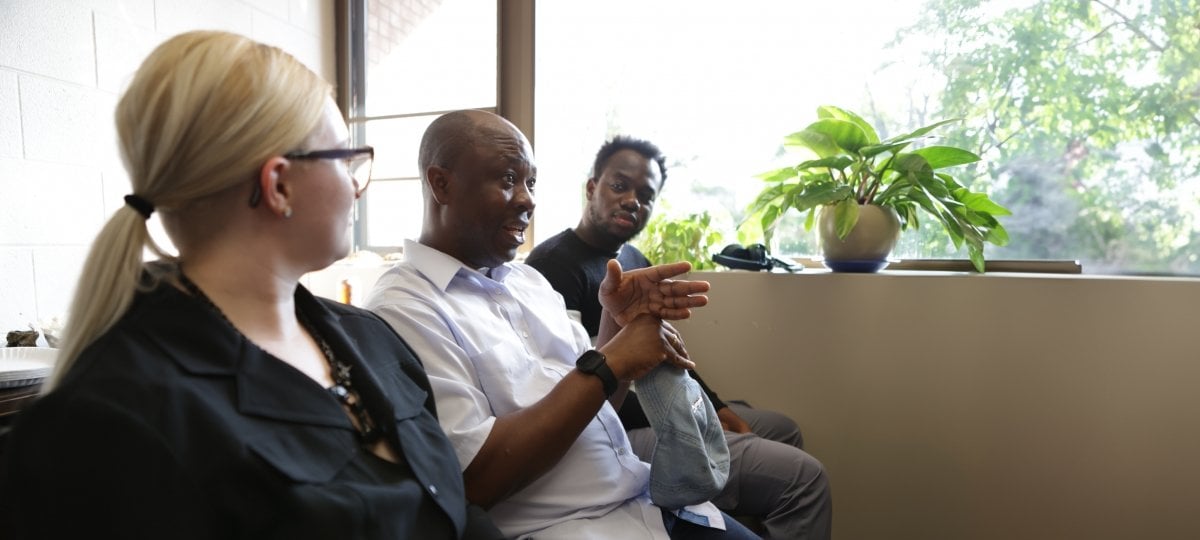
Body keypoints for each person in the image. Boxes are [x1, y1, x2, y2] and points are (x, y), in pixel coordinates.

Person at [0, 31, 500, 539]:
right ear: (279, 185)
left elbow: (451, 512)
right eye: (347, 161)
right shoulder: (110, 421)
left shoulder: (374, 342)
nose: (356, 185)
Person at [365, 109, 760, 539]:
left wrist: (617, 327)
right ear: (442, 183)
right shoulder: (404, 308)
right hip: (571, 528)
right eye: (507, 179)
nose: (528, 200)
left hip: (646, 505)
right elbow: (475, 480)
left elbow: (598, 408)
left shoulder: (529, 282)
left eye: (531, 182)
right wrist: (611, 361)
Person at [525, 135, 833, 539]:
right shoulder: (553, 266)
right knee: (804, 478)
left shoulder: (635, 262)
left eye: (646, 194)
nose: (633, 200)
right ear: (591, 188)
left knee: (782, 428)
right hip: (613, 428)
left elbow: (667, 352)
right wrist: (697, 420)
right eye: (620, 186)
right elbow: (569, 387)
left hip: (657, 404)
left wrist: (717, 408)